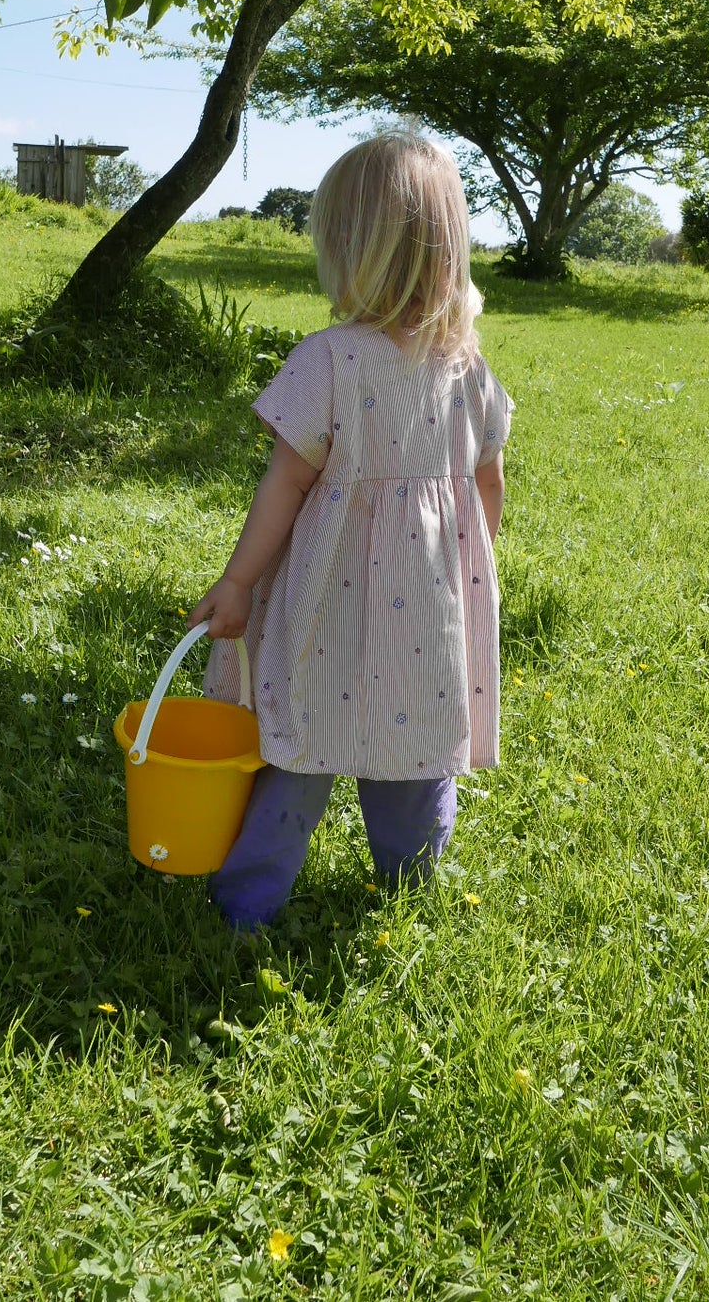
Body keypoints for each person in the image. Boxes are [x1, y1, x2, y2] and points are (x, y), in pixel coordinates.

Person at [189, 133, 514, 929]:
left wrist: (237, 581)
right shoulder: (467, 366)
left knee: (295, 746)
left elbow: (285, 484)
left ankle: (246, 906)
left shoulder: (326, 360)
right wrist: (465, 576)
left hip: (325, 606)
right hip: (428, 611)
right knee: (414, 751)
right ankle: (408, 894)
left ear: (347, 249)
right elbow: (487, 487)